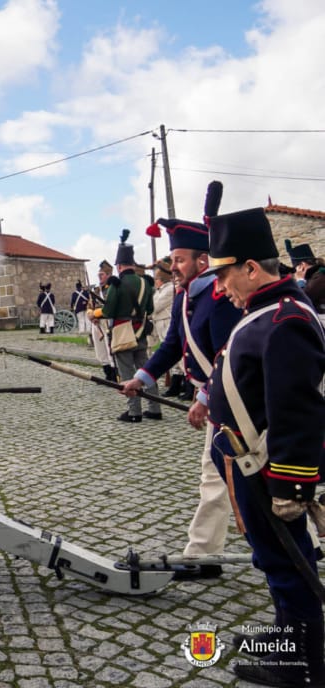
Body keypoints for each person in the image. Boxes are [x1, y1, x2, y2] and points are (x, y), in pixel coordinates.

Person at [203, 207, 325, 687]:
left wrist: (291, 488)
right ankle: (288, 640)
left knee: (286, 562)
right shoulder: (267, 313)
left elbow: (297, 409)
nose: (221, 288)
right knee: (275, 558)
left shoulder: (285, 319)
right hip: (250, 465)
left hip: (268, 470)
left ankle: (302, 665)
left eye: (225, 274)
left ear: (251, 268)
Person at [122, 200, 243, 579]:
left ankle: (306, 544)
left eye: (178, 259)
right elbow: (173, 344)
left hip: (241, 403)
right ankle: (204, 556)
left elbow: (231, 355)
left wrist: (206, 397)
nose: (172, 267)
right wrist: (142, 377)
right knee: (217, 477)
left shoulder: (221, 297)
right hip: (222, 401)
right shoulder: (186, 295)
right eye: (172, 260)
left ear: (202, 261)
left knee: (254, 478)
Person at [102, 230, 160, 422]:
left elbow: (108, 311)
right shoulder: (145, 282)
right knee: (145, 371)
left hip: (122, 333)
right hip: (141, 332)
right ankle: (155, 408)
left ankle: (134, 412)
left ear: (118, 266)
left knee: (127, 373)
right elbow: (150, 308)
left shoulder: (116, 284)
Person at [150, 257, 185, 396]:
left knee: (176, 355)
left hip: (167, 322)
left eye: (157, 277)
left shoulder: (169, 289)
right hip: (160, 322)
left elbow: (155, 307)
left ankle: (180, 385)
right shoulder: (160, 290)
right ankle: (176, 385)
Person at [87, 261, 117, 381]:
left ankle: (115, 374)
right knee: (100, 350)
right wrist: (90, 314)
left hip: (107, 322)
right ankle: (107, 373)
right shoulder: (96, 291)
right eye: (99, 274)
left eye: (102, 274)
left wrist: (95, 314)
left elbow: (110, 307)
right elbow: (90, 305)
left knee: (110, 349)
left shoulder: (112, 289)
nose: (100, 276)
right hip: (96, 323)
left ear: (109, 275)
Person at [286, 239, 325, 319]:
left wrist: (300, 280)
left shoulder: (321, 275)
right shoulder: (314, 275)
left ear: (302, 265)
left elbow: (303, 298)